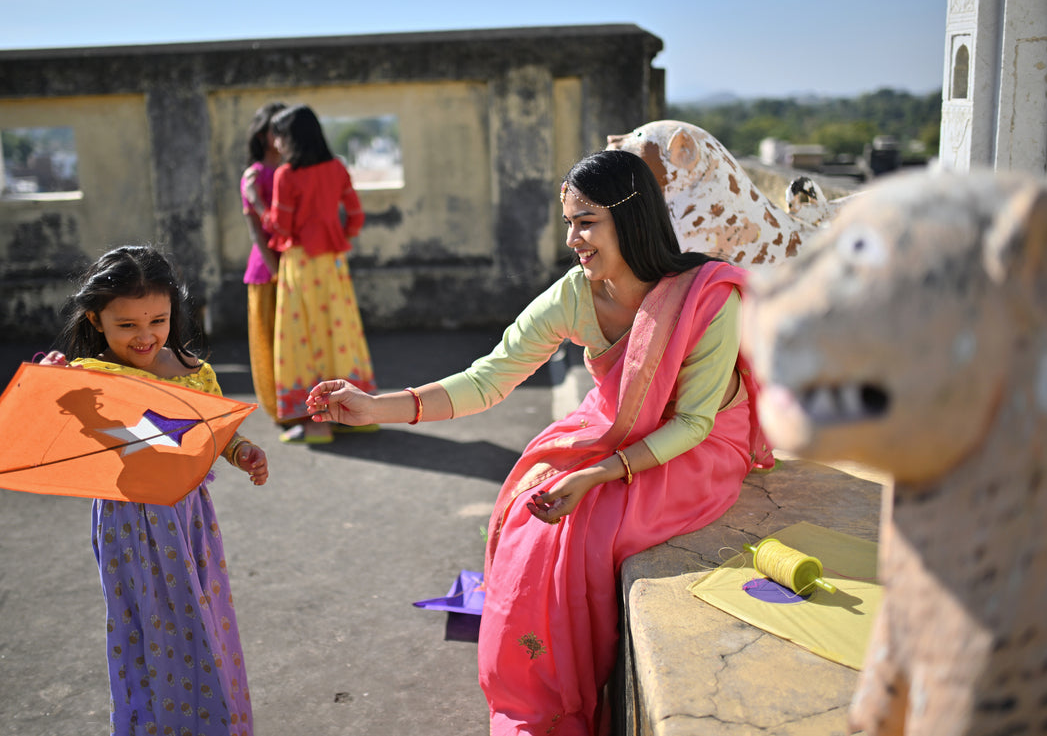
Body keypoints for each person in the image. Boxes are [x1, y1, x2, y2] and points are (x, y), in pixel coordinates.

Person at [306, 149, 773, 735]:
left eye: (586, 222)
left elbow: (696, 422)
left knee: (594, 529)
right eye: (570, 224)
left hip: (695, 450)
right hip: (612, 428)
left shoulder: (706, 296)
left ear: (630, 217)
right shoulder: (576, 295)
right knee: (531, 516)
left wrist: (595, 475)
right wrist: (380, 406)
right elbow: (489, 377)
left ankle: (574, 696)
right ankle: (541, 708)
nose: (574, 239)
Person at [40, 245, 269, 736]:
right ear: (95, 319)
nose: (145, 336)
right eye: (126, 325)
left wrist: (242, 450)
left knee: (202, 622)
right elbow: (52, 430)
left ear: (174, 312)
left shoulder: (193, 372)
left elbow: (214, 431)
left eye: (158, 321)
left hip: (189, 519)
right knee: (148, 629)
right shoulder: (88, 379)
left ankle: (213, 723)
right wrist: (53, 384)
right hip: (129, 522)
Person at [263, 103, 377, 444]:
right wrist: (339, 238)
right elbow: (355, 216)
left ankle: (316, 424)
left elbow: (280, 225)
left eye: (279, 136)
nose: (276, 143)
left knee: (303, 337)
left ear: (292, 137)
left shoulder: (287, 175)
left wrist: (259, 210)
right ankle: (359, 413)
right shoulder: (337, 168)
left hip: (300, 263)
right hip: (333, 263)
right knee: (340, 334)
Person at [240, 100, 288, 422]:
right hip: (268, 271)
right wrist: (276, 272)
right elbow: (256, 232)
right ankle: (281, 411)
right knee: (271, 344)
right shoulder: (254, 176)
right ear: (262, 134)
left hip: (299, 268)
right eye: (275, 127)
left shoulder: (295, 171)